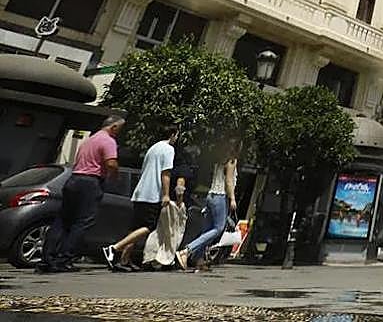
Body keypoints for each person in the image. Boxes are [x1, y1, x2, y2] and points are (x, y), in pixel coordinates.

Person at [40, 115, 124, 273]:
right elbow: (111, 163)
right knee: (82, 222)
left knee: (63, 221)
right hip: (90, 182)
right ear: (113, 127)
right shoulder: (108, 141)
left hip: (74, 179)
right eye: (119, 129)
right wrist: (114, 177)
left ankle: (48, 258)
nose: (119, 132)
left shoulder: (90, 140)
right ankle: (64, 259)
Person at [102, 125, 177, 272]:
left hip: (140, 192)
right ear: (173, 135)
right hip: (152, 193)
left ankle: (124, 260)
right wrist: (166, 194)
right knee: (148, 227)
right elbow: (165, 173)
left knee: (136, 228)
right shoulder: (169, 149)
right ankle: (114, 248)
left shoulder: (152, 148)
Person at [175, 142, 238, 271]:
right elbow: (229, 181)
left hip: (211, 196)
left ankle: (199, 260)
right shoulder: (232, 161)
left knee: (207, 229)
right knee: (218, 228)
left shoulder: (219, 160)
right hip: (221, 196)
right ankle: (187, 250)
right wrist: (232, 199)